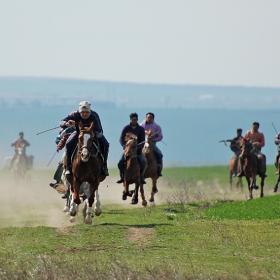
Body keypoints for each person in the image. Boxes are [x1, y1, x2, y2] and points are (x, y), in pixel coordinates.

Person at [60, 101, 109, 176]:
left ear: (89, 111)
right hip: (79, 133)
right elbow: (62, 122)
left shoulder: (94, 115)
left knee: (106, 144)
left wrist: (94, 134)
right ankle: (68, 167)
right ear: (80, 112)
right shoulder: (75, 114)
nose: (85, 114)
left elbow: (100, 131)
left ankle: (104, 166)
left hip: (92, 134)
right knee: (68, 143)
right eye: (83, 112)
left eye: (87, 112)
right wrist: (66, 123)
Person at [116, 112, 146, 184]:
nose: (134, 121)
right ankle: (122, 176)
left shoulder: (141, 129)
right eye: (132, 120)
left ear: (137, 120)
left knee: (143, 161)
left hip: (137, 150)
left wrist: (138, 148)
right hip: (127, 150)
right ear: (130, 120)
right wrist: (125, 147)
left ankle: (141, 177)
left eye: (135, 119)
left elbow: (142, 141)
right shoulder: (126, 128)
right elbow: (121, 139)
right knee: (120, 161)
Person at [139, 112, 163, 176]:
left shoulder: (156, 127)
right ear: (146, 118)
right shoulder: (141, 125)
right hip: (142, 144)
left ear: (153, 118)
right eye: (148, 117)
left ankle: (158, 169)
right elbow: (137, 133)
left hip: (152, 144)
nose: (149, 119)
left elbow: (160, 136)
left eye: (151, 117)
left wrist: (153, 139)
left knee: (159, 154)